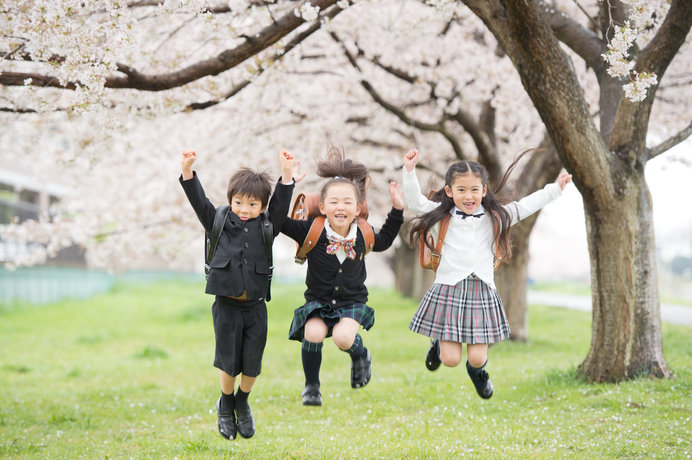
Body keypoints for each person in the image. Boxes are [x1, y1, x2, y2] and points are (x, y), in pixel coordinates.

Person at [402, 148, 572, 399]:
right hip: (450, 289)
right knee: (450, 360)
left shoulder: (496, 217)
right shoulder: (441, 218)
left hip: (481, 290)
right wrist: (409, 170)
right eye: (461, 190)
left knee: (478, 357)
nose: (468, 196)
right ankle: (438, 344)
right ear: (449, 192)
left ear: (484, 191)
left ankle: (477, 372)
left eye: (474, 190)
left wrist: (555, 189)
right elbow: (416, 202)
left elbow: (525, 206)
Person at [179, 149, 298, 440]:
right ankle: (226, 402)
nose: (244, 209)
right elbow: (199, 201)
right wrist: (187, 171)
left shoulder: (269, 225)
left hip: (256, 306)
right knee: (229, 360)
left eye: (252, 204)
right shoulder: (218, 220)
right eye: (238, 203)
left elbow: (282, 205)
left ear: (262, 206)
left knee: (252, 362)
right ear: (231, 201)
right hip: (226, 306)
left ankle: (242, 401)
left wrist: (286, 174)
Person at [281, 148, 405, 406]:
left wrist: (397, 209)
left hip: (352, 302)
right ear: (323, 206)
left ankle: (360, 355)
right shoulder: (311, 230)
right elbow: (279, 220)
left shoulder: (363, 233)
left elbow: (384, 240)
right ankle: (311, 387)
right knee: (312, 333)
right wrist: (287, 181)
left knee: (343, 338)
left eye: (348, 202)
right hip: (318, 301)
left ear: (358, 208)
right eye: (334, 202)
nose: (341, 207)